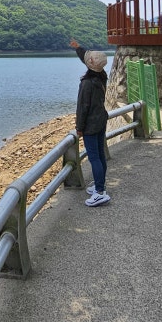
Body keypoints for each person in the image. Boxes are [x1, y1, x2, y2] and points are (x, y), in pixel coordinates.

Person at [69, 39, 110, 206]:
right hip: (101, 120)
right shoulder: (102, 76)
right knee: (100, 154)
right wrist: (79, 48)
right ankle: (100, 186)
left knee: (94, 157)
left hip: (91, 125)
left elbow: (82, 108)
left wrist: (79, 128)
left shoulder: (87, 83)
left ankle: (100, 192)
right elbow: (88, 60)